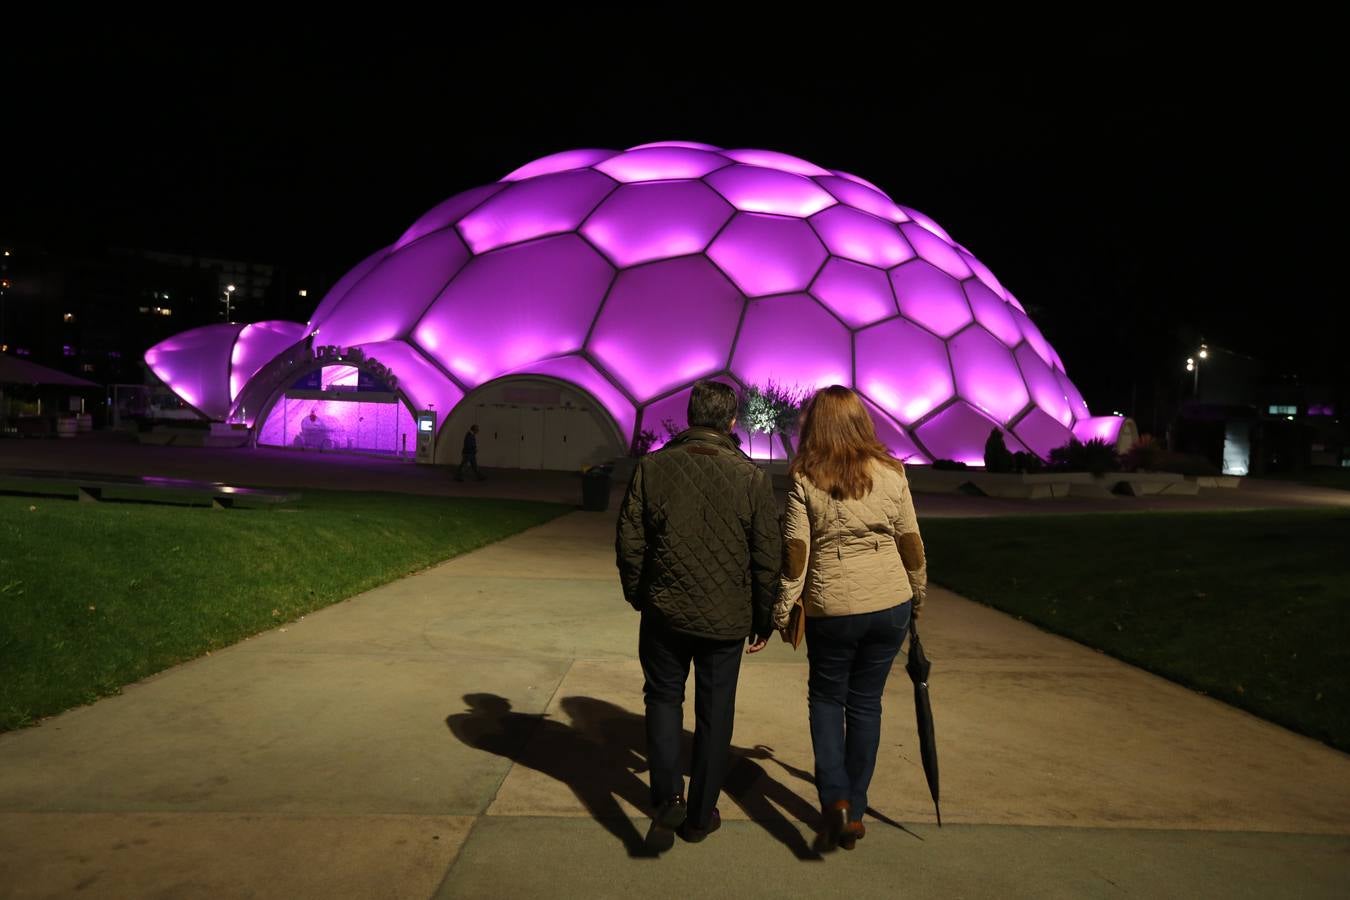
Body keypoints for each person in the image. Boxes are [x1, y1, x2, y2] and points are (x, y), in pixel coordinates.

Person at [616, 380, 781, 852]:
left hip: (665, 613)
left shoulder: (654, 467)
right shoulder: (750, 477)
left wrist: (639, 594)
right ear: (732, 423)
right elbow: (767, 553)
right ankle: (700, 813)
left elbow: (630, 539)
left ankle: (668, 793)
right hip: (725, 618)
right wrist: (762, 616)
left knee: (663, 699)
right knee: (716, 713)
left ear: (690, 416)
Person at [773, 385, 928, 852]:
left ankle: (835, 799)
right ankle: (856, 811)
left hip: (833, 607)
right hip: (889, 606)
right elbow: (911, 542)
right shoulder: (892, 472)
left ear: (815, 424)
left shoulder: (805, 476)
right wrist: (916, 594)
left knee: (826, 699)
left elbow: (796, 554)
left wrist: (783, 610)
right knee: (865, 704)